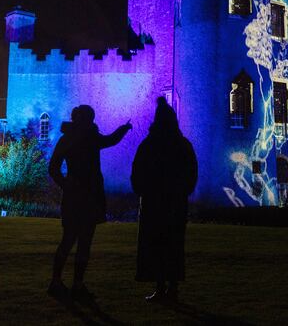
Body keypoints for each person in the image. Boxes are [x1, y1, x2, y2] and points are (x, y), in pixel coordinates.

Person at [47, 105, 132, 302]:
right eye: (89, 118)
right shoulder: (88, 138)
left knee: (74, 240)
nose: (91, 121)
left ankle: (64, 283)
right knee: (78, 241)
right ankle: (67, 283)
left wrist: (65, 183)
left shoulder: (68, 139)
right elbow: (110, 140)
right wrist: (124, 129)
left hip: (79, 195)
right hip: (85, 195)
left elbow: (53, 168)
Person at [131, 97, 198, 303]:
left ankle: (160, 286)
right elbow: (191, 172)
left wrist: (142, 190)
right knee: (173, 244)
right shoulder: (182, 145)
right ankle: (172, 287)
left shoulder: (150, 144)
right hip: (175, 203)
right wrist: (183, 191)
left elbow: (137, 170)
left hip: (154, 203)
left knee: (156, 244)